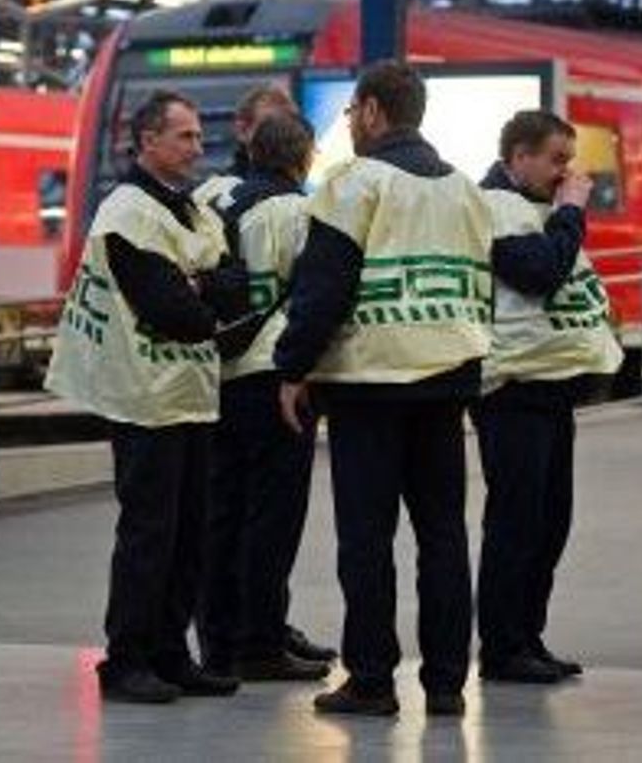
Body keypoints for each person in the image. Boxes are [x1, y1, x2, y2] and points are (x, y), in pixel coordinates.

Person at [274, 60, 495, 718]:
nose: (349, 126)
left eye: (351, 114)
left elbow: (324, 287)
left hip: (370, 383)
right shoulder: (464, 188)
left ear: (372, 110)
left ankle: (371, 678)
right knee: (443, 536)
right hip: (448, 377)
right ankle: (449, 682)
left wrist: (292, 366)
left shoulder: (355, 183)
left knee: (367, 538)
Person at [45, 90, 250, 705]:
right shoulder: (128, 214)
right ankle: (126, 658)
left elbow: (234, 291)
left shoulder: (188, 211)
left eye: (195, 135)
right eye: (184, 136)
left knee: (190, 534)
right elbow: (176, 313)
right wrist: (205, 287)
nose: (197, 146)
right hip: (144, 397)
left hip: (189, 392)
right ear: (148, 142)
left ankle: (170, 652)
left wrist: (203, 286)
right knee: (149, 533)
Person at [473, 109, 621, 684]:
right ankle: (503, 647)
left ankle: (528, 635)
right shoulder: (493, 207)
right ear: (518, 157)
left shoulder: (536, 208)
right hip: (512, 389)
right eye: (557, 160)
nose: (567, 174)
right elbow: (538, 272)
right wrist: (570, 215)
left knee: (549, 519)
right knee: (516, 519)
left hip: (551, 387)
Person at [197, 111, 332, 682]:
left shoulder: (216, 203)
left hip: (219, 373)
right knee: (272, 520)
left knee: (222, 516)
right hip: (276, 378)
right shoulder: (297, 213)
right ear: (302, 159)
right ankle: (261, 643)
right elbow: (312, 297)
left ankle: (220, 642)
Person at [193, 83, 298, 211]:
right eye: (268, 128)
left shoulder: (306, 193)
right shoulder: (213, 194)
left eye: (288, 129)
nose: (279, 137)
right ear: (242, 130)